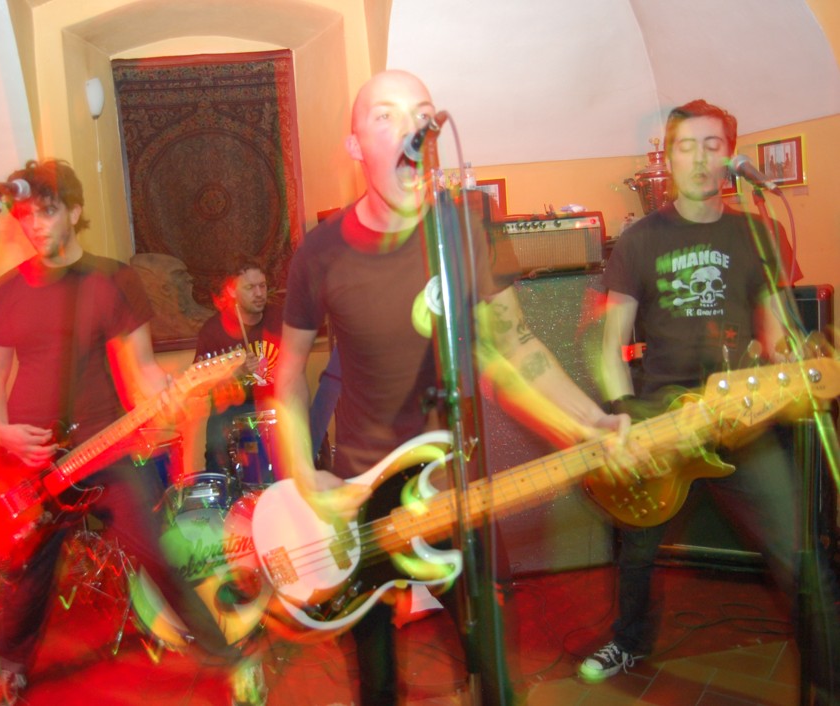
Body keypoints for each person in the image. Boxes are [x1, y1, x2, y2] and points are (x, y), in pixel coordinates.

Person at [273, 70, 632, 706]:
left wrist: (590, 419)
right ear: (355, 146)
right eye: (384, 116)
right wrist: (304, 473)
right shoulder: (320, 253)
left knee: (493, 664)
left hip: (454, 481)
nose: (410, 127)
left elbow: (515, 346)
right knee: (377, 680)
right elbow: (286, 377)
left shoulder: (462, 231)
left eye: (421, 113)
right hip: (364, 487)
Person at [582, 99, 837, 699]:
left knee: (801, 558)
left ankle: (828, 678)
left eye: (712, 145)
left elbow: (775, 334)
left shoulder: (760, 232)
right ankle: (630, 639)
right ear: (668, 158)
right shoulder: (639, 240)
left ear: (730, 155)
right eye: (687, 146)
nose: (700, 159)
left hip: (737, 420)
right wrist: (628, 417)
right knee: (637, 551)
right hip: (662, 418)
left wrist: (791, 359)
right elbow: (610, 345)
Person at [0, 159, 242, 704]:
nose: (35, 225)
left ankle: (221, 654)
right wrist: (1, 431)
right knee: (29, 570)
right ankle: (10, 666)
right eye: (26, 216)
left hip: (103, 447)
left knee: (154, 549)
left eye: (47, 212)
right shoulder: (6, 289)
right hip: (30, 457)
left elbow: (140, 371)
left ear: (74, 211)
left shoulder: (112, 279)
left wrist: (169, 394)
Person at [189, 258, 282, 479]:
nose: (259, 293)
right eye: (250, 287)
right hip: (232, 413)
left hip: (274, 407)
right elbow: (198, 385)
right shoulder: (213, 330)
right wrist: (236, 373)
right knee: (218, 441)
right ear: (231, 291)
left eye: (262, 286)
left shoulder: (280, 318)